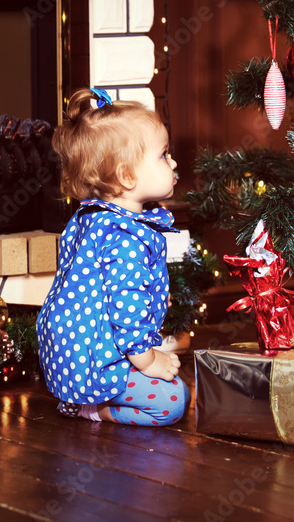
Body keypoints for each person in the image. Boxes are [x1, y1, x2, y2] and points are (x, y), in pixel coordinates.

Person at [36, 88, 189, 426]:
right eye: (164, 155)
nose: (173, 162)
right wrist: (149, 362)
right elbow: (126, 309)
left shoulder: (95, 216)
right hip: (91, 358)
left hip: (73, 349)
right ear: (126, 176)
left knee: (171, 386)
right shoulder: (123, 238)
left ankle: (85, 399)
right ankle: (94, 407)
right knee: (174, 401)